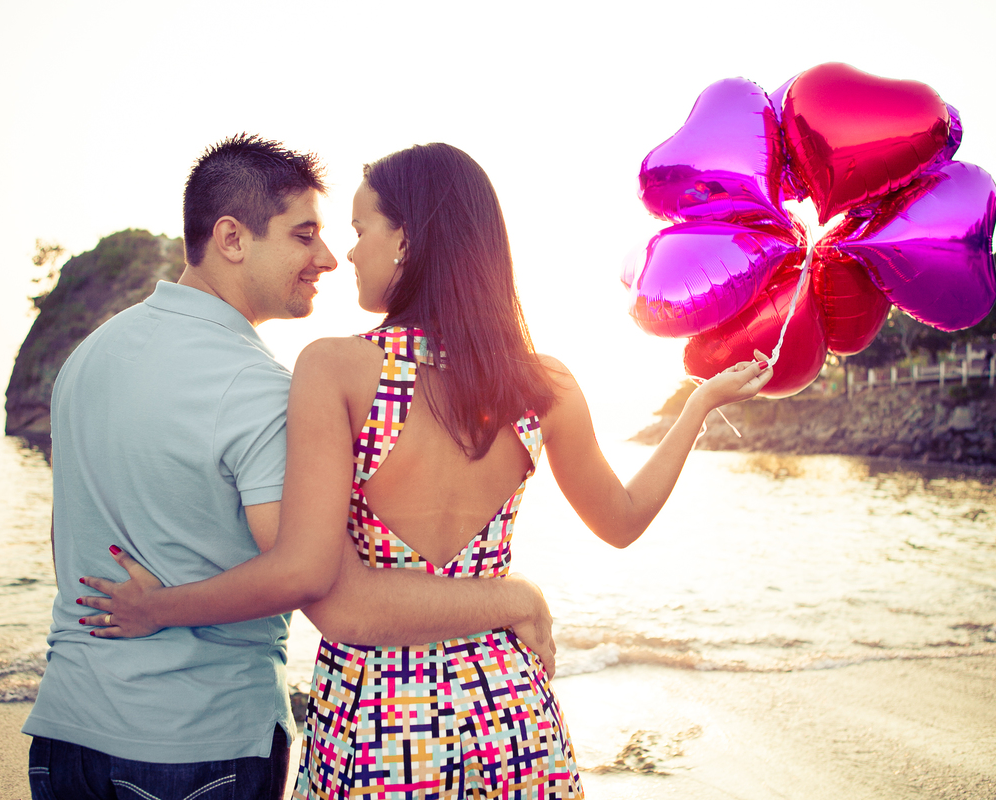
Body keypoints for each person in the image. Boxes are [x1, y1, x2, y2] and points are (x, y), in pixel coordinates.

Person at [78, 143, 772, 798]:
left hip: (381, 724)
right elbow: (622, 522)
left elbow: (340, 604)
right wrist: (699, 407)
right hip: (513, 716)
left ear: (406, 240)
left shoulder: (337, 369)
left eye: (359, 227)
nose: (345, 251)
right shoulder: (544, 384)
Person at [23, 134, 556, 800]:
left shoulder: (86, 359)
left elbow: (66, 538)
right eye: (304, 236)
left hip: (64, 735)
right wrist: (514, 597)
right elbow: (319, 582)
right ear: (232, 238)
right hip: (197, 745)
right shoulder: (259, 388)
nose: (328, 258)